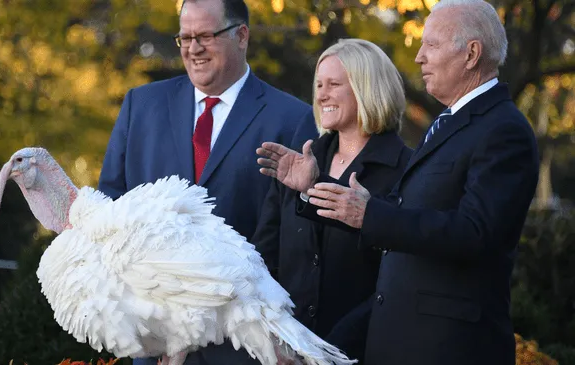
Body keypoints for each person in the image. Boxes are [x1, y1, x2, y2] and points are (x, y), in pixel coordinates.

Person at [257, 1, 540, 364]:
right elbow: (402, 213)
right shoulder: (450, 124)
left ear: (471, 53)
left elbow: (476, 232)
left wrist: (369, 215)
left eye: (431, 45)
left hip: (449, 349)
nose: (419, 57)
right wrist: (315, 185)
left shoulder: (503, 130)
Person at [97, 0, 314, 363]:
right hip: (156, 343)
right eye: (184, 38)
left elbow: (296, 243)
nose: (193, 49)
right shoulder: (141, 106)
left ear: (241, 35)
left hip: (243, 346)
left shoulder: (291, 119)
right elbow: (109, 212)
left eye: (205, 36)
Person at [253, 38, 412, 363]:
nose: (321, 94)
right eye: (319, 85)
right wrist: (274, 334)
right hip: (286, 353)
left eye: (334, 84)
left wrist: (328, 351)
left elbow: (400, 279)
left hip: (364, 353)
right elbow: (262, 260)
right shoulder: (297, 166)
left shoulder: (408, 170)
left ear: (367, 88)